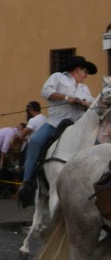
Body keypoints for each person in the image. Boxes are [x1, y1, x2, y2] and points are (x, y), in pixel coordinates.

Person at [18, 55, 97, 206]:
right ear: (76, 69)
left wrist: (86, 104)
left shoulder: (84, 88)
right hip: (55, 124)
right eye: (85, 72)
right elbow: (46, 91)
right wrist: (67, 98)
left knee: (99, 145)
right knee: (36, 140)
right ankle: (27, 181)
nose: (86, 76)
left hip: (77, 128)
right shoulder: (58, 77)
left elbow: (93, 105)